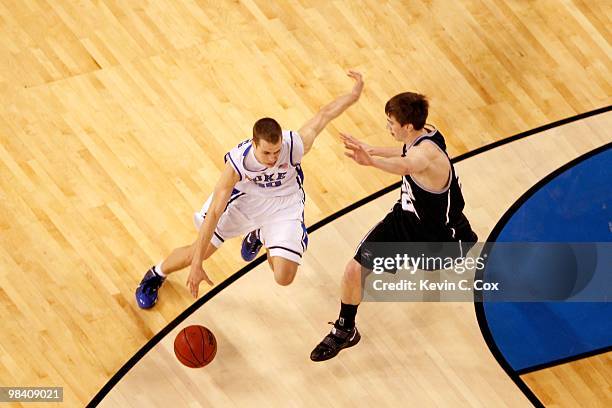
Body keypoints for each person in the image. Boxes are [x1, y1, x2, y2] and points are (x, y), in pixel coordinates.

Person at [136, 71, 364, 308]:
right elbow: (214, 211)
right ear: (254, 144)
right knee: (196, 252)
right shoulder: (237, 164)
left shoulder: (294, 144)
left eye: (276, 152)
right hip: (246, 203)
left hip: (284, 203)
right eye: (266, 152)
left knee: (284, 277)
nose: (273, 158)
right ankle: (156, 274)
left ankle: (262, 235)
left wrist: (353, 95)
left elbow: (324, 115)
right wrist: (196, 265)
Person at [310, 92, 478, 361]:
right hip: (404, 220)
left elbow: (407, 164)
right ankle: (345, 329)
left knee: (449, 270)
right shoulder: (427, 133)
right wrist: (372, 148)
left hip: (440, 236)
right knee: (354, 269)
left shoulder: (427, 156)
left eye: (391, 123)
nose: (388, 127)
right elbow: (405, 151)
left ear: (407, 126)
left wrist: (370, 160)